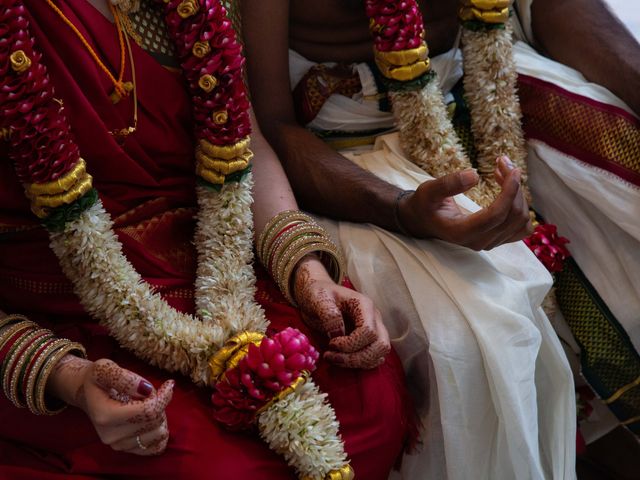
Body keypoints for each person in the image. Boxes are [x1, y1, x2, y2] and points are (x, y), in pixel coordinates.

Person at [0, 1, 414, 479]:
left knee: (368, 401)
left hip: (211, 274)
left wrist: (308, 272)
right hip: (58, 312)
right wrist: (66, 378)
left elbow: (242, 141)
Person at [240, 0, 639, 478]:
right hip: (353, 148)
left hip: (495, 75)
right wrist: (402, 210)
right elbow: (269, 123)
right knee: (477, 342)